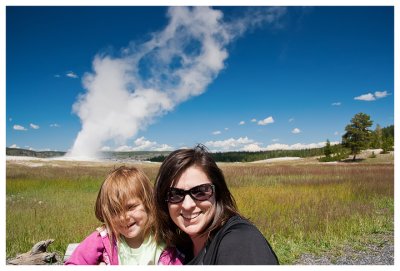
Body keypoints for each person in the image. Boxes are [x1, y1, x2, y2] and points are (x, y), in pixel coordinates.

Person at [154, 144, 279, 265]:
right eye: (175, 194)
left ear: (217, 192)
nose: (187, 205)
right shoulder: (181, 250)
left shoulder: (240, 242)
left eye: (200, 191)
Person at [65, 166, 183, 265]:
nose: (123, 217)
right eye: (115, 211)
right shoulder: (103, 238)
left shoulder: (164, 244)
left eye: (131, 207)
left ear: (149, 204)